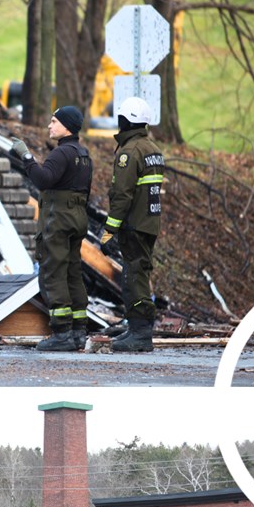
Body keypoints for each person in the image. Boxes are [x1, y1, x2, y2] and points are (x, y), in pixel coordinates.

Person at [12, 105, 95, 352]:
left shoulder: (61, 154)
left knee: (52, 272)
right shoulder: (84, 154)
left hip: (58, 219)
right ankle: (79, 332)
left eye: (54, 121)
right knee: (72, 272)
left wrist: (26, 157)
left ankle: (61, 333)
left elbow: (43, 179)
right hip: (78, 218)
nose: (49, 126)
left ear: (67, 126)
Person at [101, 96, 165, 353]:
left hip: (134, 225)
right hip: (150, 222)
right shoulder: (153, 149)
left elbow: (122, 195)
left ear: (125, 121)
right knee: (141, 272)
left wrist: (109, 230)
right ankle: (137, 328)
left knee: (134, 276)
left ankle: (139, 333)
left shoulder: (129, 152)